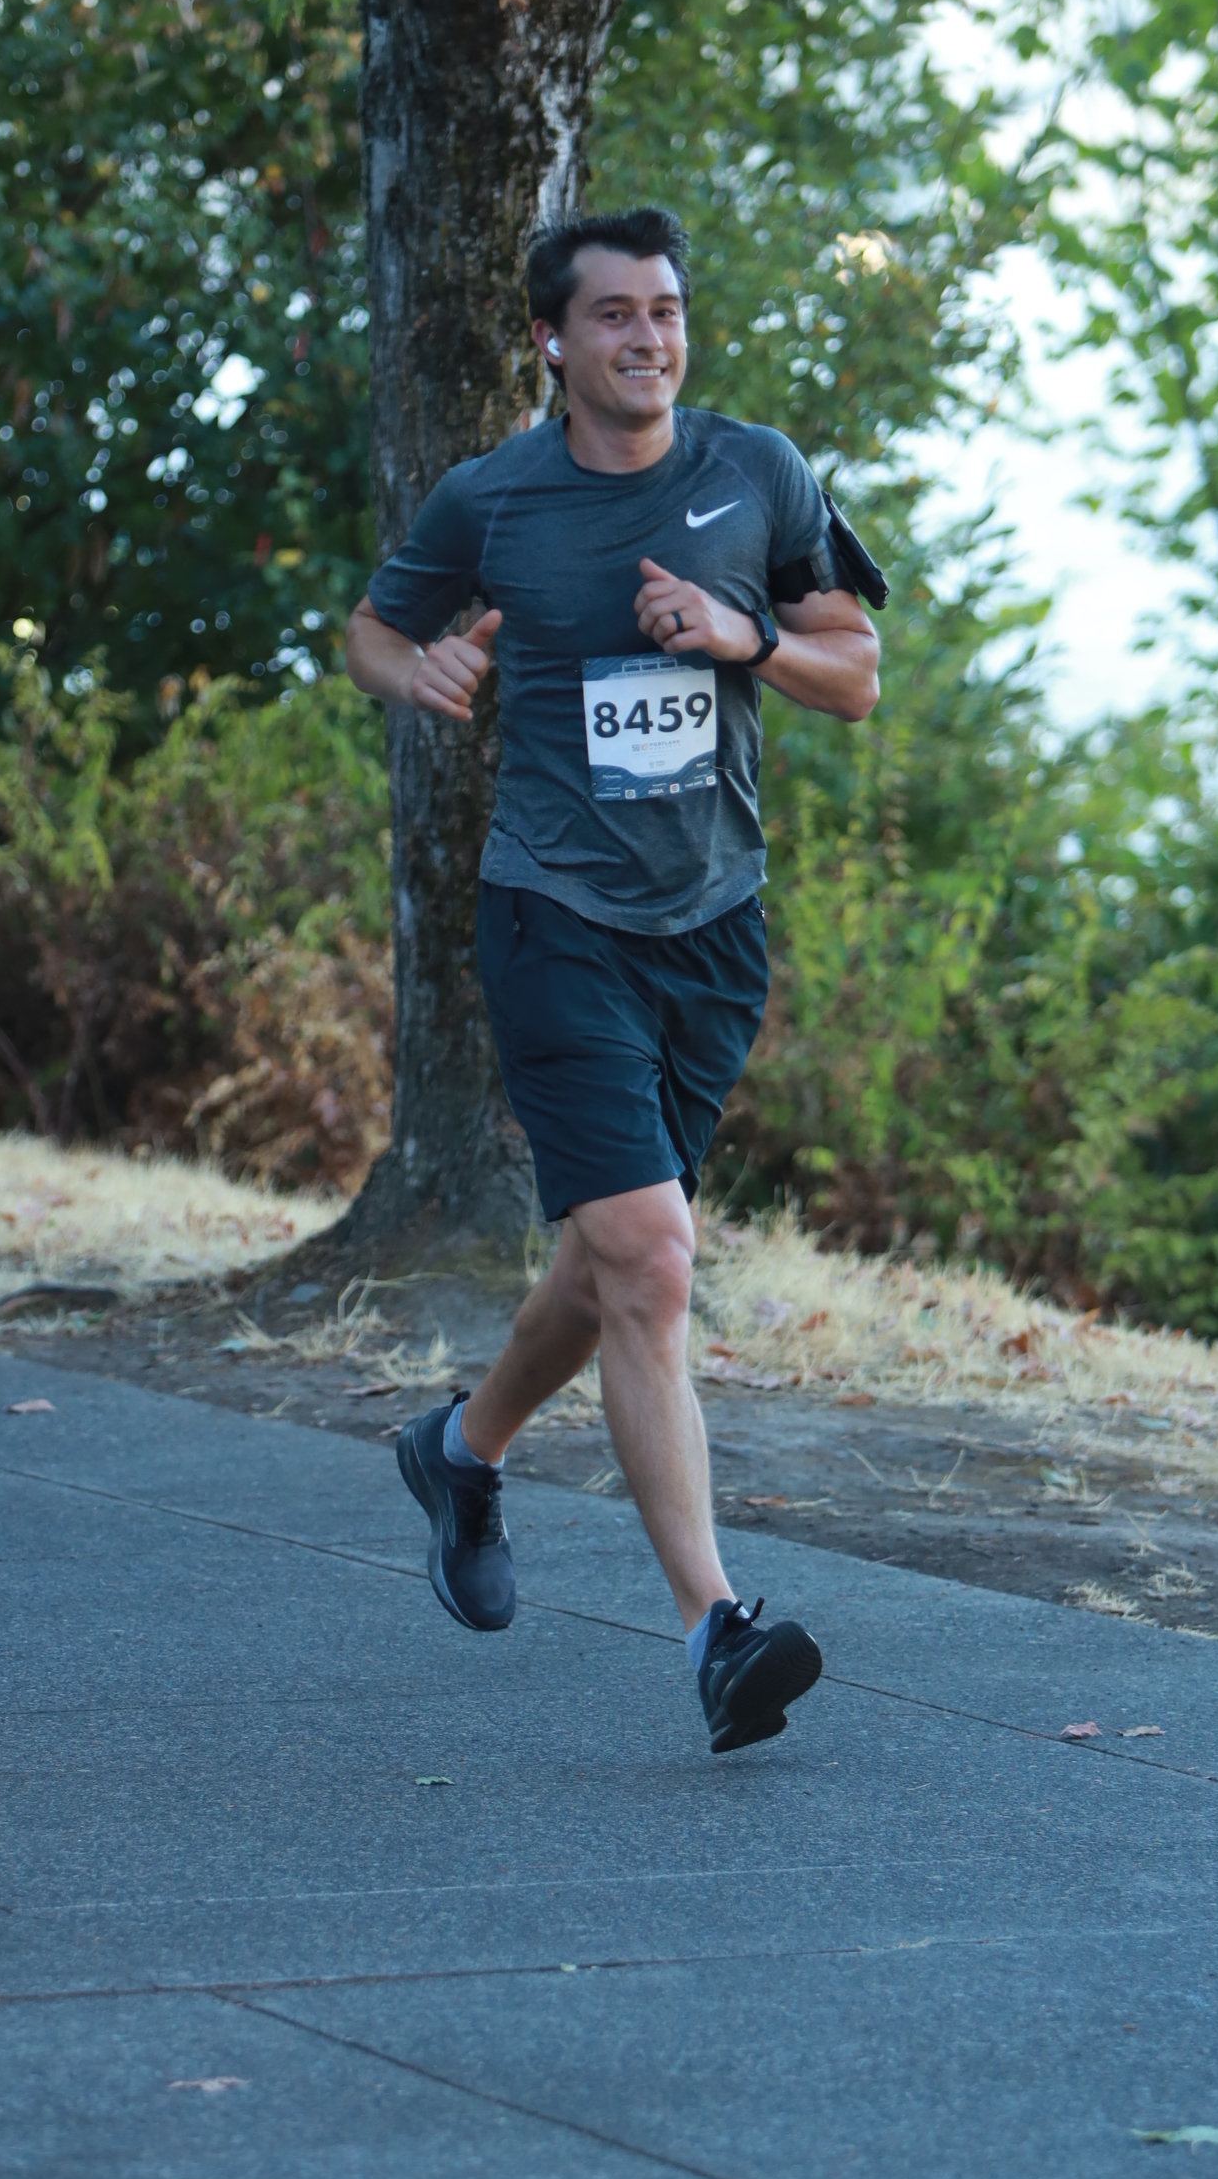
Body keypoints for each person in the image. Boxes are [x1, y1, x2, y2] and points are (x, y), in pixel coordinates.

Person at [345, 205, 885, 1753]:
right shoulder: (494, 497)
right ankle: (718, 1629)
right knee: (651, 1259)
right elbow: (374, 630)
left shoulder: (757, 473)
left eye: (666, 312)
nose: (648, 339)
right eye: (614, 316)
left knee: (608, 1265)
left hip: (713, 931)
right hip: (554, 917)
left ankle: (463, 1451)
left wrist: (742, 637)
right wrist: (420, 669)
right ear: (551, 341)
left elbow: (855, 674)